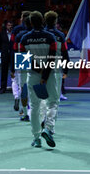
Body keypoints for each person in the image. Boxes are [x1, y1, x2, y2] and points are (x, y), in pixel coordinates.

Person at [20, 11, 58, 148]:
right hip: (49, 76)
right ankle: (48, 128)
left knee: (35, 107)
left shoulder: (24, 39)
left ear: (30, 23)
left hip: (33, 77)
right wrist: (44, 76)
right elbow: (52, 59)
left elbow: (23, 63)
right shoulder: (50, 37)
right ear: (42, 21)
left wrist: (38, 72)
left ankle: (36, 138)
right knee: (52, 103)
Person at [44, 11, 69, 103]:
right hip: (56, 67)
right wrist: (66, 70)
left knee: (42, 96)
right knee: (55, 96)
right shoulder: (60, 35)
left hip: (41, 67)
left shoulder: (40, 34)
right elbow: (65, 54)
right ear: (55, 21)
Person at [13, 14, 33, 121]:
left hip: (23, 59)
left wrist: (13, 68)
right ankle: (34, 112)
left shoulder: (20, 35)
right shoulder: (44, 34)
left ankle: (25, 113)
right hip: (37, 60)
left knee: (23, 88)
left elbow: (15, 51)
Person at [10, 11, 30, 111]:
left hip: (20, 57)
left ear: (22, 19)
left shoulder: (17, 31)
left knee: (16, 81)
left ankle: (17, 98)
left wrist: (12, 67)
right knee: (29, 82)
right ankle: (27, 106)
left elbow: (13, 48)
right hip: (33, 57)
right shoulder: (36, 30)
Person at [0, 20, 13, 94]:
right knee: (4, 72)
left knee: (15, 72)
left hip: (13, 55)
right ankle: (3, 88)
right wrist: (4, 50)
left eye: (11, 25)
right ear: (6, 26)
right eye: (9, 25)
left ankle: (15, 87)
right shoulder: (1, 33)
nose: (10, 26)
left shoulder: (15, 33)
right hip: (4, 55)